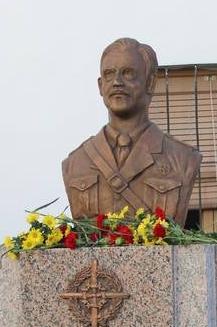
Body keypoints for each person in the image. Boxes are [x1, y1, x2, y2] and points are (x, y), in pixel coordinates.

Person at [62, 37, 201, 225]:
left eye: (128, 73)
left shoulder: (182, 158)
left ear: (150, 83)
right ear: (100, 86)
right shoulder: (75, 163)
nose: (117, 82)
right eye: (109, 74)